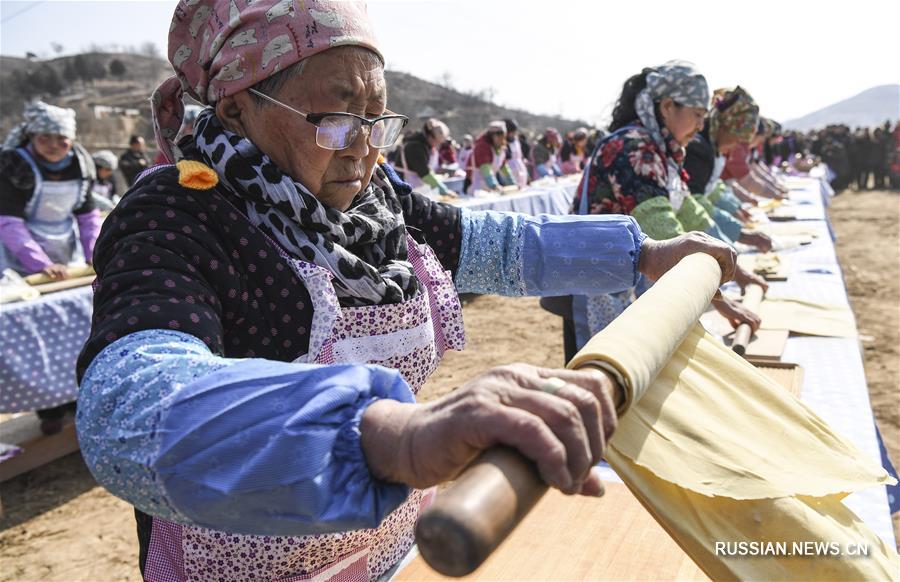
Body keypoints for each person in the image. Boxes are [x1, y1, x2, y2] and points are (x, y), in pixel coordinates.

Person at [75, 3, 738, 580]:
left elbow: (491, 245)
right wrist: (392, 438)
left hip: (385, 548)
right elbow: (128, 409)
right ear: (237, 108)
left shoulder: (376, 203)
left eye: (376, 117)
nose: (364, 148)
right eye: (336, 117)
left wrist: (644, 254)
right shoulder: (178, 213)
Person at [565, 63, 765, 359]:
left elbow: (688, 211)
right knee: (604, 369)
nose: (700, 127)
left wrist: (734, 267)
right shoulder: (634, 149)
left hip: (618, 275)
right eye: (697, 115)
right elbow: (664, 230)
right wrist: (720, 299)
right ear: (668, 106)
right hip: (593, 279)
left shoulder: (660, 151)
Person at [0, 101, 100, 280]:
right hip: (19, 257)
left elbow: (88, 218)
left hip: (67, 253)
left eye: (62, 139)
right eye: (45, 137)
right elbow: (9, 222)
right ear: (31, 136)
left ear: (71, 140)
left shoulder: (81, 165)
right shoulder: (16, 167)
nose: (53, 145)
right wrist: (40, 264)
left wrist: (94, 254)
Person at [391, 118, 453, 195]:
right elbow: (424, 173)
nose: (437, 145)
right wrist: (443, 189)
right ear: (430, 136)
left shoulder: (424, 145)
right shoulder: (415, 147)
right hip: (404, 186)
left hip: (415, 187)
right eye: (437, 142)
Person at [468, 121, 513, 193]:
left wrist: (512, 182)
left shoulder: (500, 148)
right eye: (498, 136)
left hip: (491, 189)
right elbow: (486, 169)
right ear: (492, 136)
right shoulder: (482, 146)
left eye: (502, 136)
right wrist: (494, 185)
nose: (500, 139)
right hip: (479, 188)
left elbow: (504, 167)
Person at [504, 118, 529, 188]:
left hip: (521, 170)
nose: (514, 134)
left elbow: (521, 156)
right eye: (512, 132)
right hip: (509, 172)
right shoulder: (503, 143)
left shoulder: (516, 141)